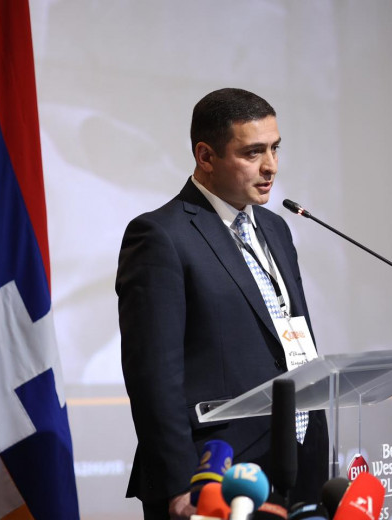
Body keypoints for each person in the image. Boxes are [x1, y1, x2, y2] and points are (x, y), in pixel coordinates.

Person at [117, 88, 328, 519]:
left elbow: (292, 341)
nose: (270, 166)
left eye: (275, 148)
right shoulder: (161, 236)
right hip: (213, 477)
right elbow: (153, 376)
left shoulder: (276, 228)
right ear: (206, 156)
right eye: (253, 152)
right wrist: (181, 484)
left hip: (295, 466)